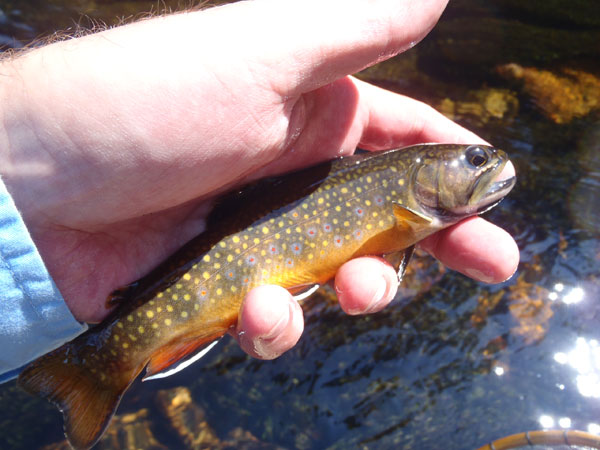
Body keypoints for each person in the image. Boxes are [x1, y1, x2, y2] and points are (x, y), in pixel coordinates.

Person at [0, 0, 518, 380]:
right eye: (473, 160)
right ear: (421, 172)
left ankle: (102, 359)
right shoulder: (400, 208)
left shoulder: (406, 209)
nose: (486, 162)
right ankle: (98, 362)